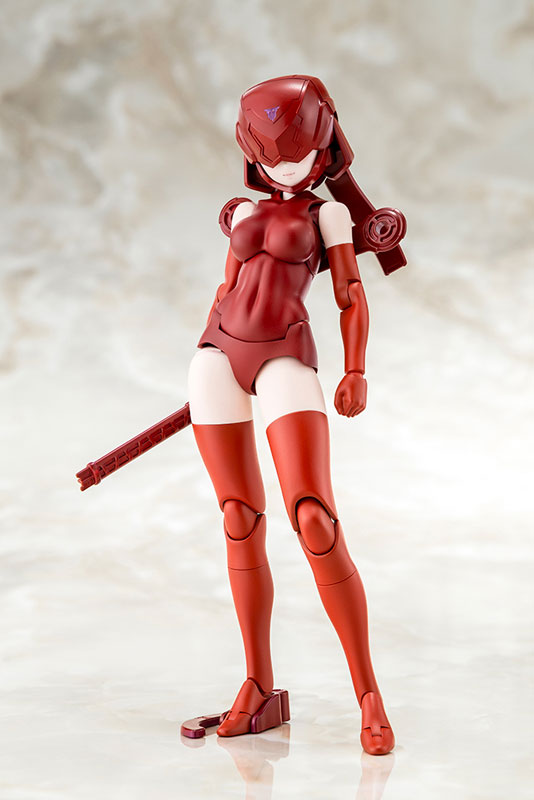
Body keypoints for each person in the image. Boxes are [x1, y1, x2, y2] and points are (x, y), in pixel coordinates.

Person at [187, 75, 399, 755]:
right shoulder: (245, 212)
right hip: (217, 356)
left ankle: (368, 694)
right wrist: (208, 356)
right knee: (238, 519)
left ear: (326, 145)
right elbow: (226, 288)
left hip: (284, 354)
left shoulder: (327, 215)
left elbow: (351, 295)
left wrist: (355, 368)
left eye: (301, 152)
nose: (286, 166)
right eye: (272, 155)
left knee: (314, 520)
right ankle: (257, 684)